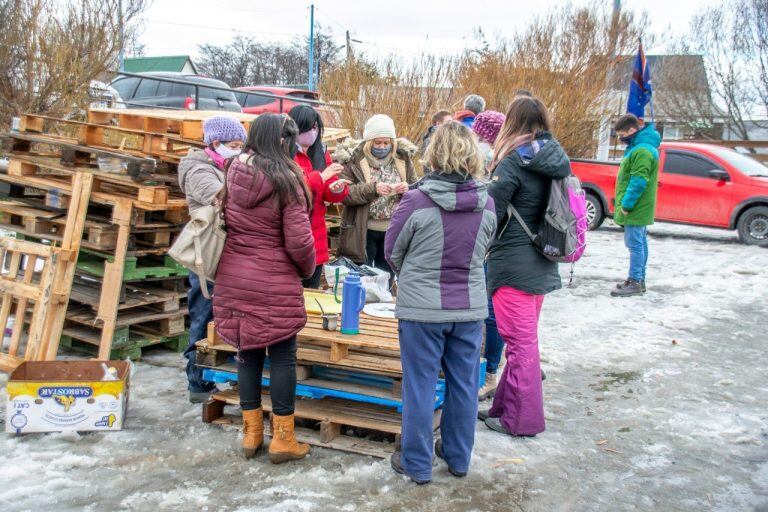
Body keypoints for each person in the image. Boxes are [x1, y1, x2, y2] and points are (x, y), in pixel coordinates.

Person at [385, 121, 497, 484]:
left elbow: (392, 251)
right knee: (464, 384)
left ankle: (416, 464)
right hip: (469, 309)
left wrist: (415, 275)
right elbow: (484, 249)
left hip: (422, 310)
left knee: (419, 385)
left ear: (434, 153)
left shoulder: (415, 200)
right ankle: (458, 457)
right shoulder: (487, 203)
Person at [213, 113, 316, 463]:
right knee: (283, 357)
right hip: (273, 279)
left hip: (233, 276)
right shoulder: (289, 180)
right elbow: (300, 244)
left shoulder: (233, 173)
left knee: (248, 352)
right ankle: (283, 440)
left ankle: (251, 435)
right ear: (282, 140)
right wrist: (306, 272)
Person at [483, 96, 571, 437]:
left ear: (512, 123)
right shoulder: (554, 159)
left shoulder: (512, 163)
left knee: (520, 345)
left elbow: (489, 214)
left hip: (512, 265)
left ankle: (521, 421)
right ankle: (503, 408)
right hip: (544, 259)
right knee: (523, 340)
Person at [178, 116, 246, 403]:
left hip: (229, 256)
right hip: (208, 257)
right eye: (234, 145)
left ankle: (222, 373)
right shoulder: (198, 168)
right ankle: (197, 381)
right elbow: (221, 199)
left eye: (242, 145)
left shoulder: (228, 165)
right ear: (215, 143)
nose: (238, 150)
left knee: (226, 318)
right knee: (204, 315)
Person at [335, 114, 417, 279]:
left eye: (387, 143)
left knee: (387, 276)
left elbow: (417, 187)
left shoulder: (402, 158)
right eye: (377, 143)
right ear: (368, 142)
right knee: (361, 276)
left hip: (393, 229)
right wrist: (373, 189)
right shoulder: (353, 160)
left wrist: (407, 189)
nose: (382, 146)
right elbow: (345, 193)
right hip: (362, 230)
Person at [288, 105, 350, 288]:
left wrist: (337, 189)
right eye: (307, 128)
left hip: (316, 234)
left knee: (312, 289)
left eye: (315, 127)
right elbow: (292, 188)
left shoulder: (321, 152)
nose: (312, 133)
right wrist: (321, 177)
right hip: (292, 231)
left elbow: (330, 190)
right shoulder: (284, 154)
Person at [470, 109, 506, 400]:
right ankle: (491, 366)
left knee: (491, 312)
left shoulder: (500, 165)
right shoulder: (497, 161)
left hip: (495, 246)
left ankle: (491, 371)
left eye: (481, 135)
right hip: (490, 244)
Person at [610, 113, 661, 297]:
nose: (619, 138)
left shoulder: (642, 151)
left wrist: (627, 204)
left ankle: (635, 280)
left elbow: (638, 180)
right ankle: (639, 278)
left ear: (631, 130)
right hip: (640, 205)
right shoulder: (641, 148)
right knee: (639, 242)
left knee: (635, 243)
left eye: (620, 133)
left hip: (637, 206)